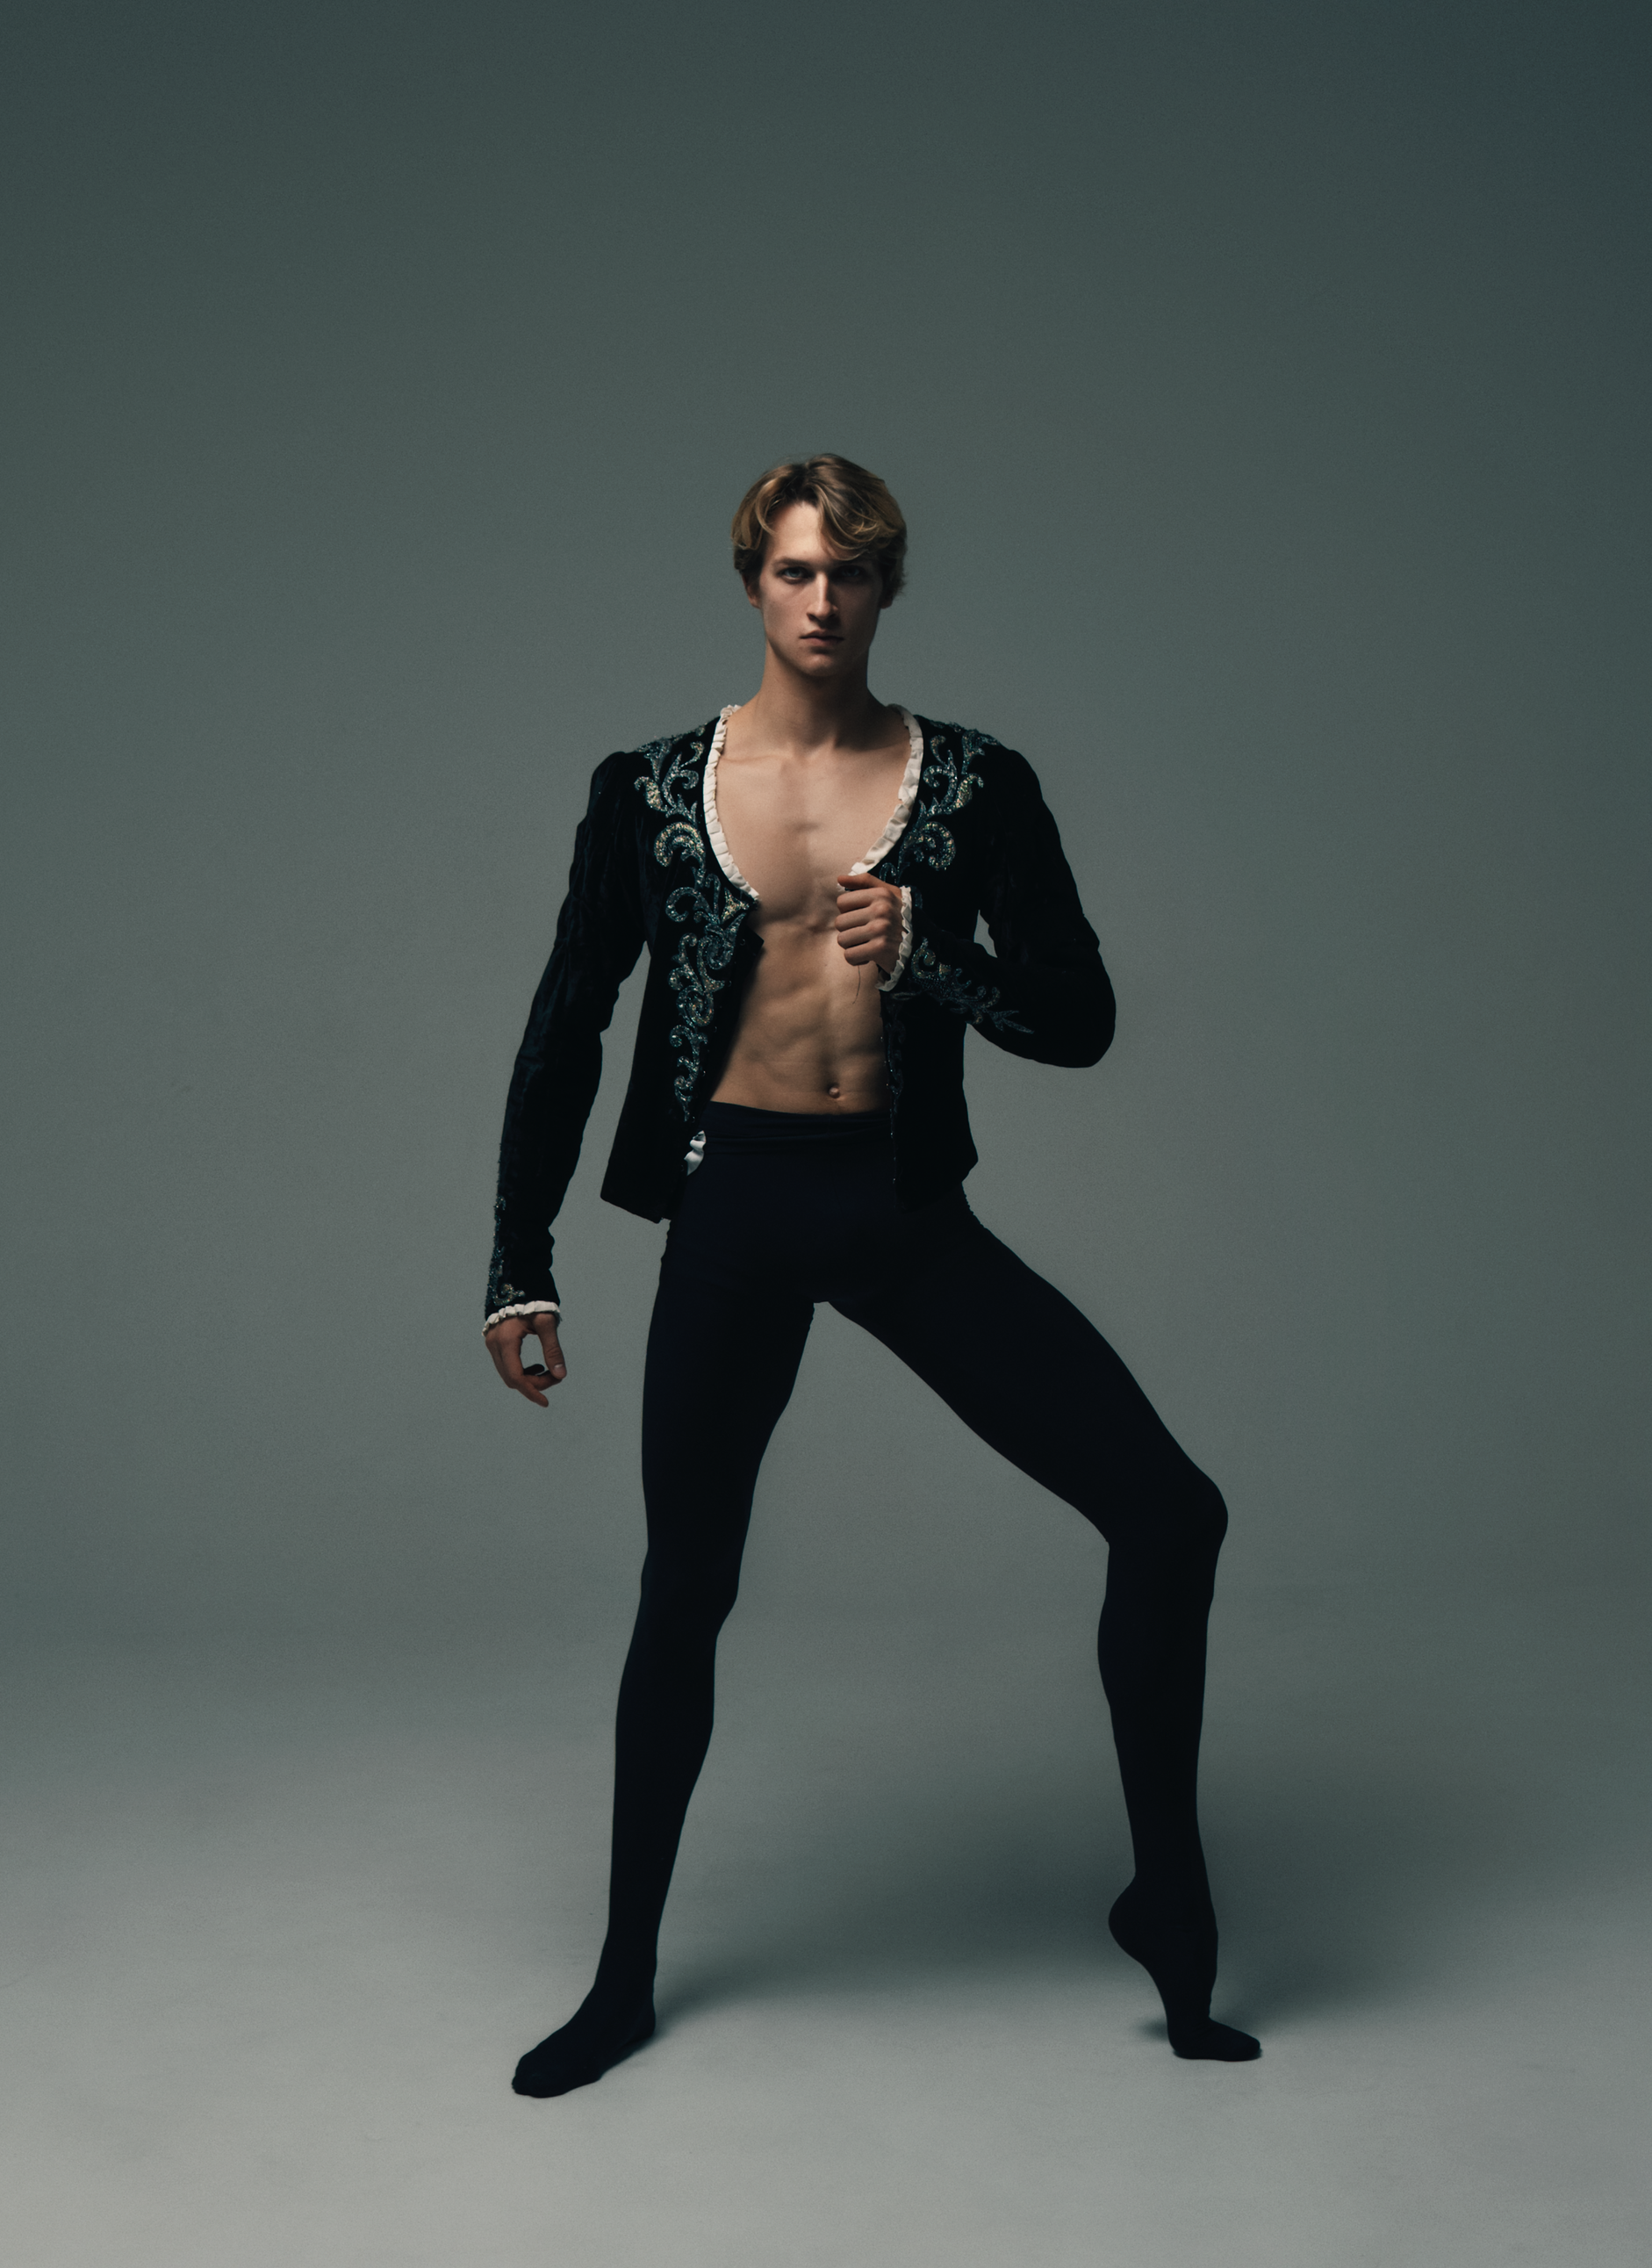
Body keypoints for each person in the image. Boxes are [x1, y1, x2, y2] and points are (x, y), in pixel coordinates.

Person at [485, 455, 1261, 2093]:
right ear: (751, 582)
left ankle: (1170, 1912)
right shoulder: (645, 788)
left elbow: (1084, 1020)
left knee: (1171, 1513)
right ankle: (621, 1979)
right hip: (731, 1212)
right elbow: (565, 1030)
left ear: (890, 588)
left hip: (900, 1213)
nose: (823, 601)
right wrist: (518, 1258)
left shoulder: (977, 786)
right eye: (793, 572)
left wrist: (938, 964)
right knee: (684, 1584)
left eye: (852, 575)